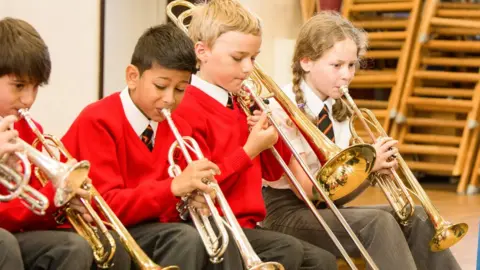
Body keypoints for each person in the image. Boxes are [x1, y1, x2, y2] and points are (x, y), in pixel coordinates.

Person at [260, 11, 462, 270]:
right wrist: (367, 168)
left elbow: (335, 197)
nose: (346, 75)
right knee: (378, 223)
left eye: (352, 65)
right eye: (337, 65)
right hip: (285, 213)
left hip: (323, 208)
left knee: (417, 216)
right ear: (306, 62)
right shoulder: (281, 107)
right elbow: (307, 191)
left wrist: (376, 169)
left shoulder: (338, 108)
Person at [174, 1, 338, 269]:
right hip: (211, 228)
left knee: (323, 261)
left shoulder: (243, 100)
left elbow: (273, 173)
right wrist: (249, 149)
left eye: (254, 58)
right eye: (238, 58)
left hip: (249, 225)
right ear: (202, 51)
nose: (249, 68)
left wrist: (275, 137)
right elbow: (201, 189)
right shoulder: (187, 106)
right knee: (287, 250)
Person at [61, 23, 234, 269]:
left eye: (181, 89)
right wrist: (172, 188)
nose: (169, 99)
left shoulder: (180, 128)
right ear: (133, 77)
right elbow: (103, 206)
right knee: (184, 239)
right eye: (161, 86)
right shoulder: (98, 120)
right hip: (104, 228)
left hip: (149, 228)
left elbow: (169, 208)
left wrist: (192, 202)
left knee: (218, 236)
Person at [0, 17, 96, 270]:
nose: (28, 99)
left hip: (10, 231)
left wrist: (62, 205)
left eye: (35, 87)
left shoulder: (28, 130)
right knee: (3, 243)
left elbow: (24, 213)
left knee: (73, 247)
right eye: (19, 86)